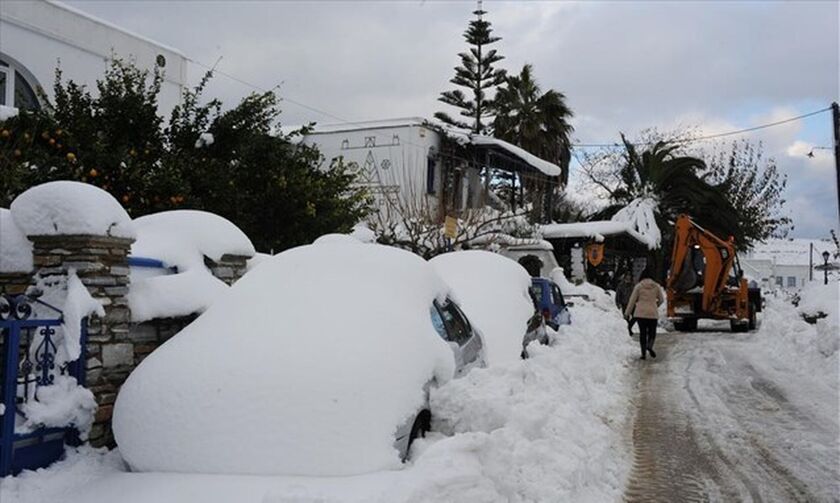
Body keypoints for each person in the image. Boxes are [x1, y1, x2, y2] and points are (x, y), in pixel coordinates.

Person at [624, 268, 664, 360]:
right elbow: (661, 300)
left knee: (643, 333)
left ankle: (643, 354)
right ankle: (650, 345)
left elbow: (632, 301)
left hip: (640, 313)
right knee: (652, 332)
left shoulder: (638, 286)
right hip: (652, 313)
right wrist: (655, 305)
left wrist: (627, 313)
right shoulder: (656, 286)